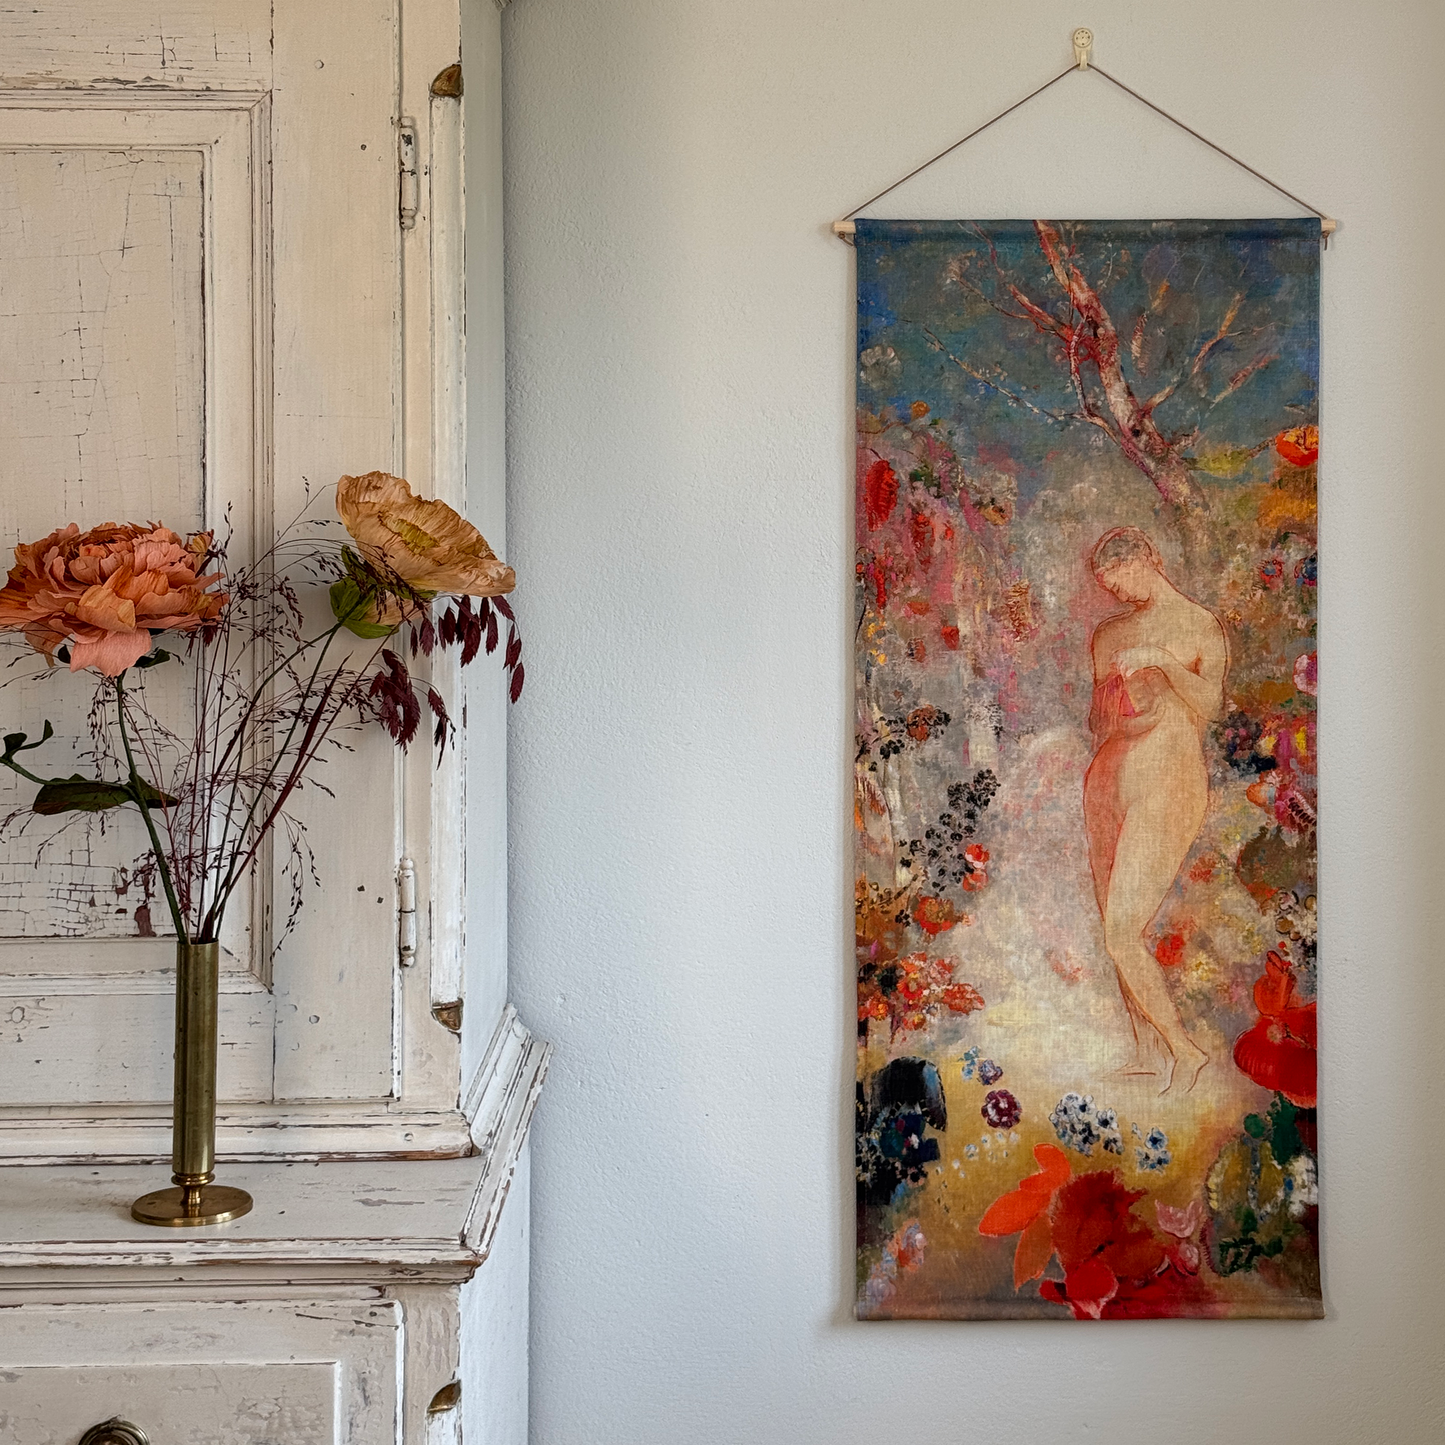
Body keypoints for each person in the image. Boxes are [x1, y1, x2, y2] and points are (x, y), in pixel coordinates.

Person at [1082, 528, 1226, 1094]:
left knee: (1123, 930)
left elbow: (1211, 705)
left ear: (1146, 559)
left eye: (1120, 580)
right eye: (1107, 587)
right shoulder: (1108, 633)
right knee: (1110, 919)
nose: (1116, 594)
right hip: (1108, 777)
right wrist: (1117, 696)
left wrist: (1162, 664)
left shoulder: (1200, 624)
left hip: (1168, 777)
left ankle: (1185, 1051)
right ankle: (1145, 1049)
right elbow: (1100, 719)